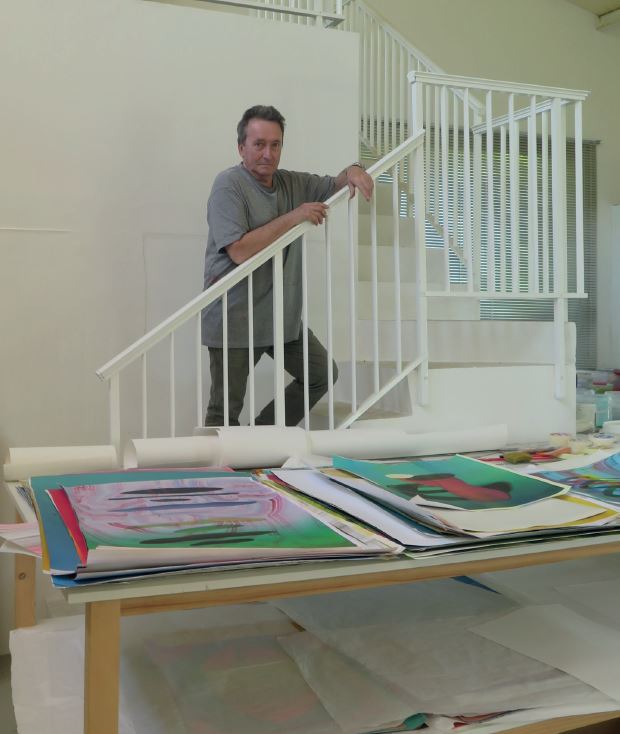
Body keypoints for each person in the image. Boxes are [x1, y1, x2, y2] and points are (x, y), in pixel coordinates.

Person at [201, 105, 373, 427]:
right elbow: (239, 251)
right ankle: (225, 460)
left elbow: (335, 185)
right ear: (241, 147)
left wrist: (353, 169)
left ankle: (259, 440)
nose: (268, 153)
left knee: (321, 375)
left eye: (275, 145)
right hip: (234, 318)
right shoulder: (228, 185)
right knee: (223, 414)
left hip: (281, 319)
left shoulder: (291, 183)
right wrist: (295, 216)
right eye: (259, 144)